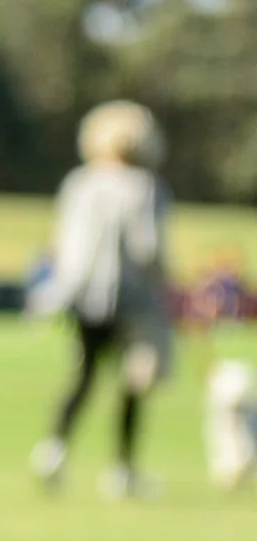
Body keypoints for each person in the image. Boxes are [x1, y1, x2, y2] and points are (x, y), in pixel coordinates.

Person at [29, 100, 172, 497]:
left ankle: (53, 450)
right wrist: (167, 283)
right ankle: (122, 471)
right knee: (133, 383)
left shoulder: (80, 182)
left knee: (84, 375)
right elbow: (148, 248)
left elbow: (64, 244)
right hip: (134, 301)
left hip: (84, 298)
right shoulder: (146, 187)